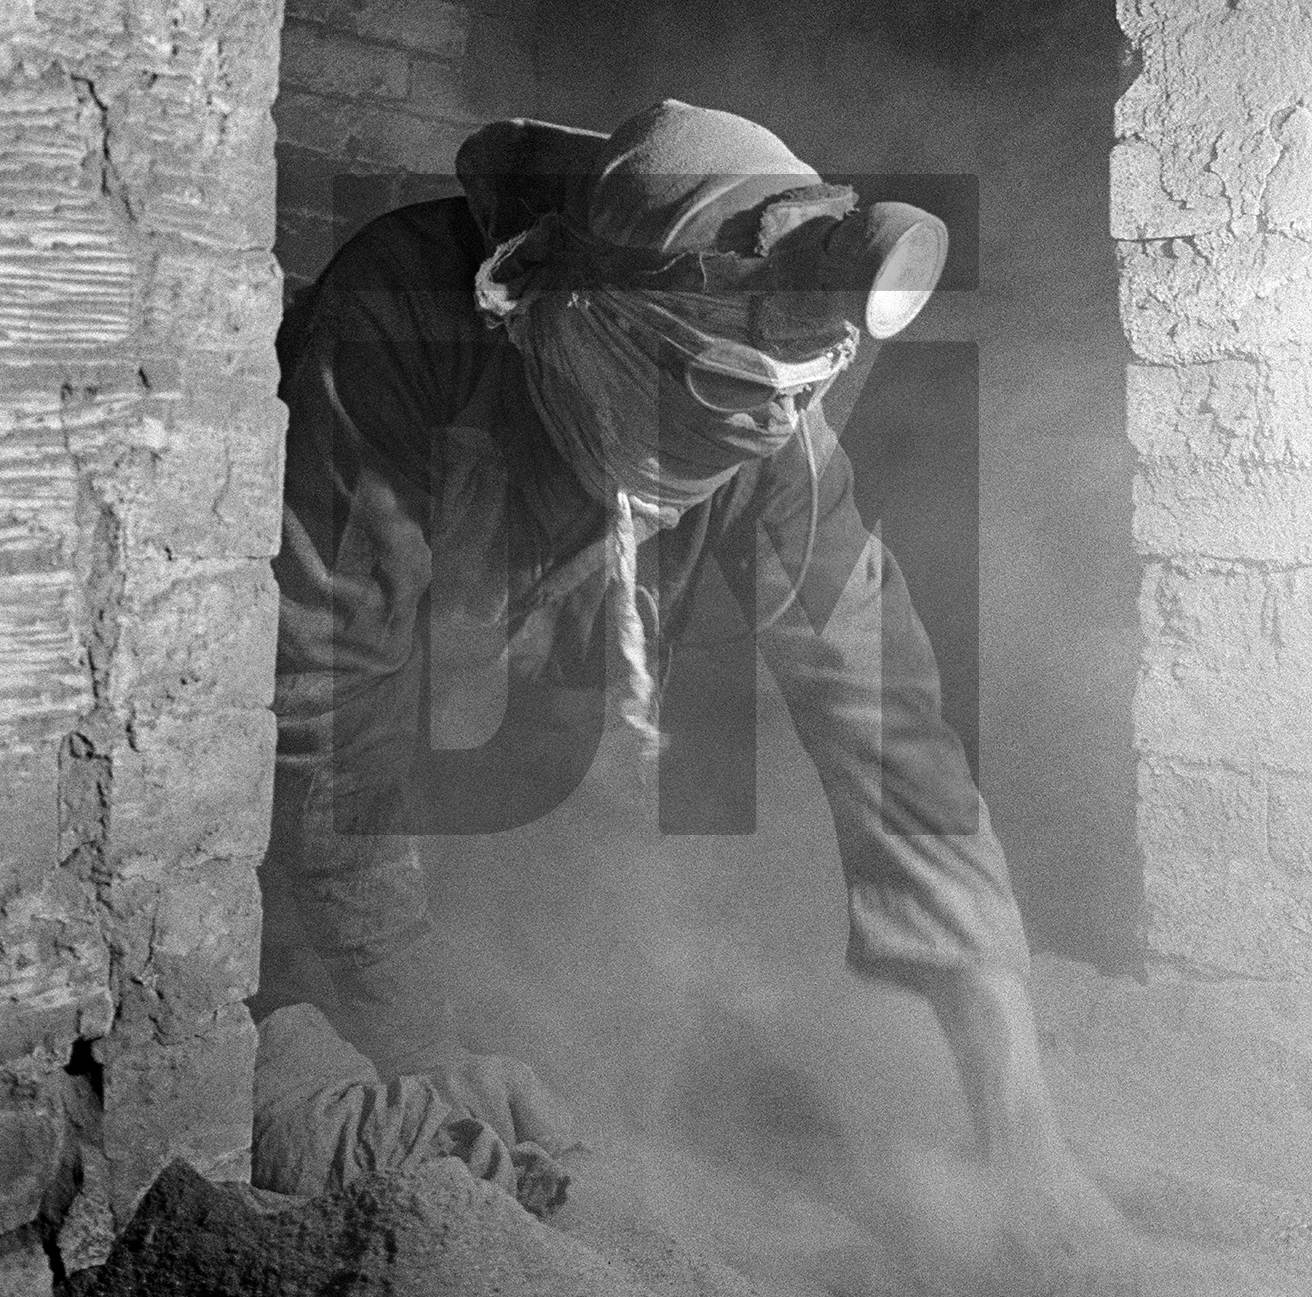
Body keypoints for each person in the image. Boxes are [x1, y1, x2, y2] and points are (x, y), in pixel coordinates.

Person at [254, 98, 1104, 1218]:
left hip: (501, 700)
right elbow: (326, 699)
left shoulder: (775, 441)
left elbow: (893, 736)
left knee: (600, 1000)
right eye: (729, 396)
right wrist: (419, 1049)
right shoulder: (406, 315)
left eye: (795, 399)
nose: (764, 430)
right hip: (315, 708)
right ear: (593, 320)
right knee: (314, 1092)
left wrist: (1020, 1126)